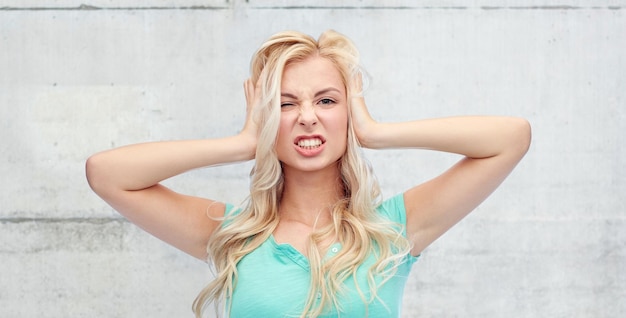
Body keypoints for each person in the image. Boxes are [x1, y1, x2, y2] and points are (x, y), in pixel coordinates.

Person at [86, 30, 531, 317]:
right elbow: (106, 173)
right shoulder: (236, 235)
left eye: (326, 100)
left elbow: (511, 137)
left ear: (348, 111)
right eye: (285, 103)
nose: (306, 118)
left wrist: (373, 131)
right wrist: (242, 144)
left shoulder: (393, 229)